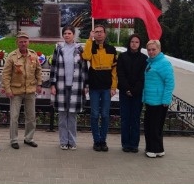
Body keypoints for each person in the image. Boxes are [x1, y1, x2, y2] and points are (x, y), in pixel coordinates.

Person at [2, 32, 43, 149]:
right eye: (21, 41)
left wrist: (39, 84)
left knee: (31, 116)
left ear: (28, 42)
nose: (23, 43)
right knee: (14, 117)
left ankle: (29, 138)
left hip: (30, 90)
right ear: (17, 43)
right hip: (16, 91)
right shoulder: (12, 56)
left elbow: (38, 71)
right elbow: (6, 75)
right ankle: (13, 140)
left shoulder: (34, 55)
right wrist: (8, 89)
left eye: (25, 41)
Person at [81, 23, 118, 152]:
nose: (99, 33)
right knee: (95, 115)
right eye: (96, 31)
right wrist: (89, 40)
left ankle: (103, 140)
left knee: (105, 115)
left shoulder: (112, 49)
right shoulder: (91, 47)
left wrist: (114, 87)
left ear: (105, 34)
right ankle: (96, 141)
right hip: (94, 88)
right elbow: (85, 57)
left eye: (101, 31)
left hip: (107, 88)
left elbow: (114, 71)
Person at [50, 26, 85, 149]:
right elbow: (53, 68)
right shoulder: (59, 49)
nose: (67, 35)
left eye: (69, 33)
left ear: (74, 35)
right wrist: (53, 85)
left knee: (72, 117)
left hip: (75, 86)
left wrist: (85, 85)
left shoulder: (80, 49)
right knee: (62, 116)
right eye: (65, 33)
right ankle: (63, 142)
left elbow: (84, 68)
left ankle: (72, 142)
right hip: (61, 87)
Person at [143, 39, 175, 158]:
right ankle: (158, 149)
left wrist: (166, 100)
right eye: (149, 50)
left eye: (153, 49)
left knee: (154, 126)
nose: (151, 52)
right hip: (151, 100)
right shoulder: (151, 62)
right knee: (152, 125)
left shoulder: (164, 63)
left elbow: (170, 83)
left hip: (159, 101)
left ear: (159, 49)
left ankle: (153, 149)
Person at [117, 33, 147, 152]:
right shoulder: (123, 57)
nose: (134, 44)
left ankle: (134, 144)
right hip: (124, 92)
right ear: (129, 43)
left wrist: (134, 90)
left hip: (137, 93)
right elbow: (121, 74)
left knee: (135, 119)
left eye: (137, 42)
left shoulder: (144, 58)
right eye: (132, 41)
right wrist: (127, 89)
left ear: (139, 44)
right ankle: (125, 144)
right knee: (125, 118)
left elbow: (142, 76)